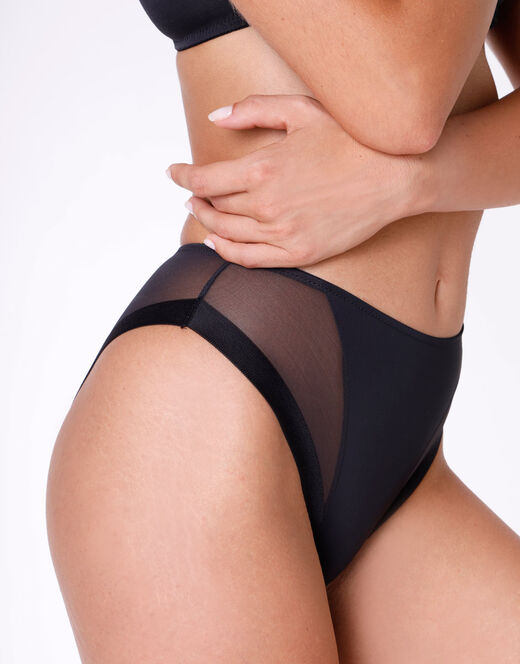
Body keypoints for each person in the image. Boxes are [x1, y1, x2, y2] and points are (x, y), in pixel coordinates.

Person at [46, 1, 520, 661]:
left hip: (404, 454)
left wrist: (407, 184)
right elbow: (403, 97)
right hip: (208, 418)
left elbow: (408, 123)